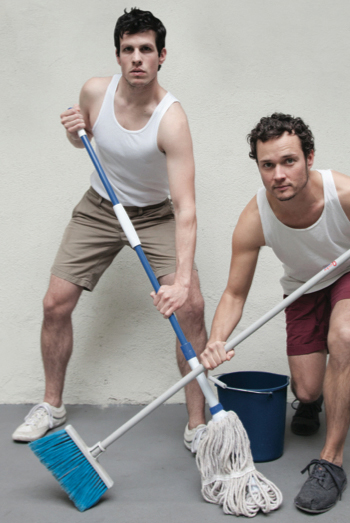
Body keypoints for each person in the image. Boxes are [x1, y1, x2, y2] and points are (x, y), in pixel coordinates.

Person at [199, 113, 350, 513]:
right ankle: (313, 402)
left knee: (345, 336)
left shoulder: (349, 194)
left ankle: (331, 463)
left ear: (309, 157)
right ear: (259, 168)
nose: (278, 174)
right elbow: (234, 292)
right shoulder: (254, 220)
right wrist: (217, 340)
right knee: (306, 390)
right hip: (303, 287)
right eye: (268, 165)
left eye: (288, 161)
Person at [13, 8, 207, 450]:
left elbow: (187, 206)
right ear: (118, 56)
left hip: (155, 215)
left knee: (191, 306)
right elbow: (80, 137)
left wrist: (179, 280)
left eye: (146, 50)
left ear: (161, 57)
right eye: (128, 50)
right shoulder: (95, 93)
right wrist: (74, 130)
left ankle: (198, 423)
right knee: (54, 303)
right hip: (100, 208)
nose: (137, 58)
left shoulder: (172, 119)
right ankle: (51, 405)